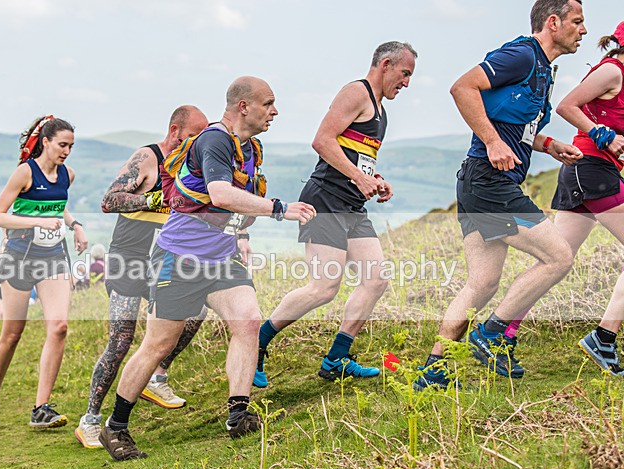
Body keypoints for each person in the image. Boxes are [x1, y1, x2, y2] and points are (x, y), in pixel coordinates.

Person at [99, 77, 316, 461]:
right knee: (159, 345)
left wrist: (241, 227)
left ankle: (237, 414)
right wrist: (280, 209)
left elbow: (232, 204)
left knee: (248, 321)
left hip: (221, 257)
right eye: (269, 103)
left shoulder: (251, 148)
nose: (275, 111)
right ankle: (115, 427)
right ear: (244, 106)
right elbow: (219, 193)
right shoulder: (214, 140)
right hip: (179, 258)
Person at [415, 0, 586, 389]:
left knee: (483, 283)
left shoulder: (543, 69)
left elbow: (516, 127)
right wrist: (491, 142)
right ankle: (492, 335)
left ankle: (433, 370)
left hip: (481, 183)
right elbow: (462, 87)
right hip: (489, 183)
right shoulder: (522, 55)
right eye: (577, 22)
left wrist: (549, 145)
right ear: (553, 21)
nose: (584, 30)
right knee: (558, 256)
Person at [254, 42, 417, 388]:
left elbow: (356, 156)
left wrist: (373, 179)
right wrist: (359, 177)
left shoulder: (380, 112)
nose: (406, 83)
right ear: (385, 64)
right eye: (405, 74)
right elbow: (322, 141)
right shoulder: (355, 92)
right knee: (323, 287)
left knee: (376, 280)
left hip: (352, 205)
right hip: (325, 199)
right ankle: (257, 342)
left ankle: (337, 359)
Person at [74, 106, 209, 449]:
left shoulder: (191, 166)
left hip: (163, 259)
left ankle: (157, 375)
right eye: (193, 135)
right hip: (127, 259)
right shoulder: (148, 158)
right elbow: (108, 200)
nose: (199, 143)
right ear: (175, 130)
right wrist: (153, 196)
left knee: (197, 312)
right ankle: (90, 420)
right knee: (121, 340)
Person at [0, 116, 88, 432]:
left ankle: (41, 408)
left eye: (71, 146)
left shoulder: (68, 174)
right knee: (12, 334)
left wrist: (75, 225)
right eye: (62, 145)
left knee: (59, 327)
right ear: (46, 142)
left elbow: (56, 206)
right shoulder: (25, 173)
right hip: (19, 257)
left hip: (53, 257)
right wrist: (35, 223)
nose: (67, 151)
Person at [545, 22, 624, 374]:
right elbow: (566, 104)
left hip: (588, 170)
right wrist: (603, 135)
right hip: (590, 168)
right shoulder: (612, 70)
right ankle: (604, 338)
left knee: (555, 261)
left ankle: (500, 330)